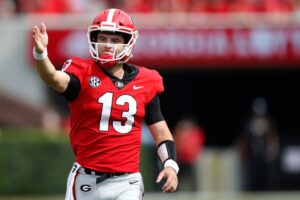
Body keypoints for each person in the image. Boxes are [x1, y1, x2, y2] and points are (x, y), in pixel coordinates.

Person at [32, 8, 179, 200]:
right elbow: (52, 77)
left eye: (115, 40)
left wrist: (170, 165)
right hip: (86, 179)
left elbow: (161, 132)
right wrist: (41, 54)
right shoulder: (83, 72)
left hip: (128, 182)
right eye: (103, 38)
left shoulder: (146, 81)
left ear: (128, 42)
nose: (107, 45)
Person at [237, 97, 280, 191]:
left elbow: (272, 136)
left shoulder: (269, 121)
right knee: (252, 176)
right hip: (252, 154)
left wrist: (273, 148)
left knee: (265, 177)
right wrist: (242, 152)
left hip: (264, 153)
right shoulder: (249, 122)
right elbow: (244, 138)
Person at [173, 115, 205, 191]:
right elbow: (176, 145)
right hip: (181, 160)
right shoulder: (179, 133)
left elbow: (198, 146)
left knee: (193, 181)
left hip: (192, 161)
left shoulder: (196, 133)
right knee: (179, 180)